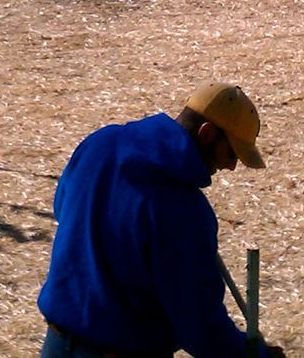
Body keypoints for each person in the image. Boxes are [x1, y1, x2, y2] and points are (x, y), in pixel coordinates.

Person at [39, 84, 284, 358]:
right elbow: (200, 328)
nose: (231, 167)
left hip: (57, 343)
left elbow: (63, 210)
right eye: (230, 153)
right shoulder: (184, 210)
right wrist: (255, 354)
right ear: (207, 134)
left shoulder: (98, 144)